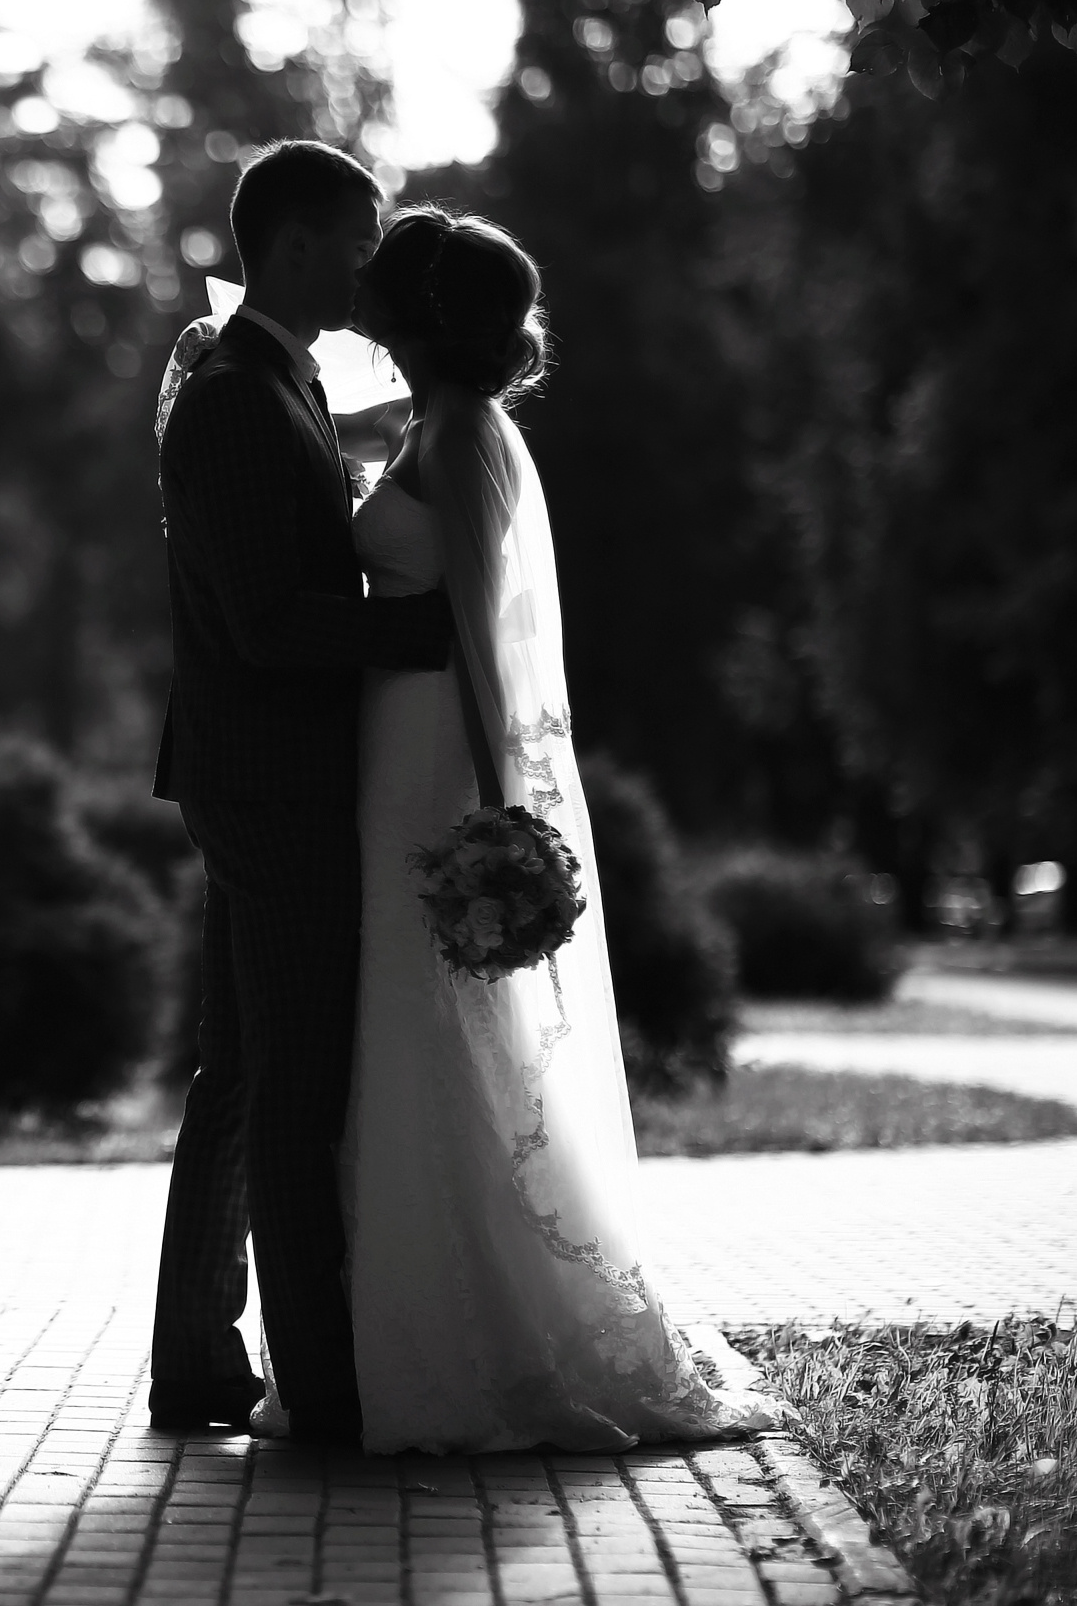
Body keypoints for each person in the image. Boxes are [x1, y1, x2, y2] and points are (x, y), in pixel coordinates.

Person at [339, 205, 781, 1451]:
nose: (358, 289)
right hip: (396, 746)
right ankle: (423, 1323)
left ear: (417, 309)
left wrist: (492, 818)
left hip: (432, 757)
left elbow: (488, 634)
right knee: (411, 1023)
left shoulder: (468, 436)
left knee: (434, 1016)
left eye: (380, 278)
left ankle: (478, 1342)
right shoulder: (433, 427)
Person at [146, 140, 454, 1445]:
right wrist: (424, 634)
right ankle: (320, 1387)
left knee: (236, 1075)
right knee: (288, 1085)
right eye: (359, 237)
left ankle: (200, 1364)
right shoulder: (233, 398)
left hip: (262, 776)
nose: (372, 264)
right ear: (295, 245)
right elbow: (272, 624)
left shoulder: (288, 382)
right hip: (269, 787)